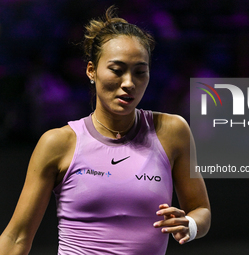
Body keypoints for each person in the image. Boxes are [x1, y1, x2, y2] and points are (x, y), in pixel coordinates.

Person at [0, 5, 211, 255]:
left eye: (140, 72)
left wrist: (190, 224)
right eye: (117, 70)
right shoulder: (58, 143)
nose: (129, 83)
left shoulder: (172, 131)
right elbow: (16, 237)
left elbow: (201, 211)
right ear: (92, 70)